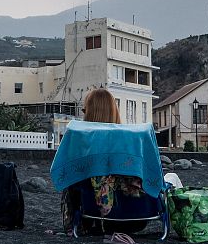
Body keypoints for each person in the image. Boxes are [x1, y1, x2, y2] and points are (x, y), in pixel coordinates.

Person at [62, 88, 146, 235]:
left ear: (90, 112)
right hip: (139, 217)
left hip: (99, 216)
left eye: (84, 110)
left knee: (72, 178)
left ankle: (79, 223)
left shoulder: (81, 142)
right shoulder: (132, 141)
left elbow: (63, 174)